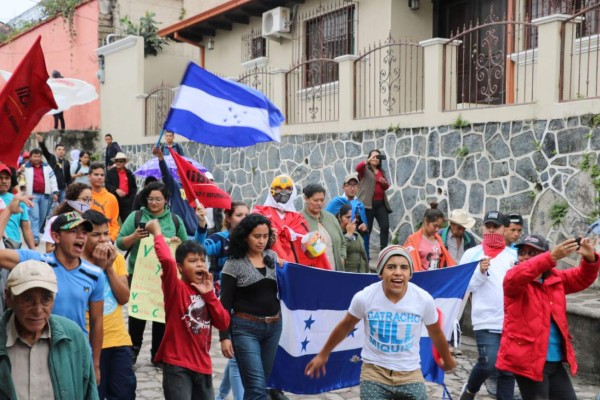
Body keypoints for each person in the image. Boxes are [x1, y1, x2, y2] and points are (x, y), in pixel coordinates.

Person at [305, 245, 457, 400]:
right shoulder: (364, 297)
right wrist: (323, 354)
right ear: (380, 272)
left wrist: (447, 358)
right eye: (391, 267)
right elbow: (345, 326)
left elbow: (436, 332)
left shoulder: (423, 299)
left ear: (410, 274)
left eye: (404, 268)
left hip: (410, 373)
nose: (398, 272)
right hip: (374, 372)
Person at [0, 211, 105, 385]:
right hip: (40, 348)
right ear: (56, 236)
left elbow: (97, 322)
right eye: (73, 231)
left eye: (84, 232)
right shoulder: (38, 262)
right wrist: (9, 211)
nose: (81, 236)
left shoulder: (95, 274)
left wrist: (95, 364)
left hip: (75, 350)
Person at [496, 234, 599, 400]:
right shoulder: (513, 279)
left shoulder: (555, 279)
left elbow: (581, 278)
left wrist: (589, 257)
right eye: (522, 252)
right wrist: (552, 256)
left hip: (553, 359)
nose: (526, 257)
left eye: (532, 253)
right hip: (528, 359)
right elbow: (518, 275)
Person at [145, 218, 230, 399]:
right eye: (193, 261)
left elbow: (223, 323)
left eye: (202, 260)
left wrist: (209, 295)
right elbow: (167, 260)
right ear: (180, 268)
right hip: (177, 365)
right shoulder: (175, 288)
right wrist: (157, 232)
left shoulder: (209, 290)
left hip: (203, 365)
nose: (200, 264)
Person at [0, 260, 98, 399]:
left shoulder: (73, 337)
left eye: (46, 299)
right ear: (9, 297)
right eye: (28, 300)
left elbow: (90, 392)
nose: (38, 310)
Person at [116, 181, 189, 365]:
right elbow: (119, 242)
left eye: (158, 199)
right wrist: (134, 237)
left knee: (162, 316)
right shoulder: (136, 216)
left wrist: (176, 241)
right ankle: (132, 351)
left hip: (165, 277)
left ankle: (158, 353)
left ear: (166, 200)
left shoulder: (174, 220)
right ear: (145, 199)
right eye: (151, 199)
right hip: (139, 274)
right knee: (137, 315)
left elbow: (186, 246)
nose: (154, 203)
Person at [219, 214, 281, 400]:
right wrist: (224, 337)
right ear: (245, 236)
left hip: (274, 327)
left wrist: (283, 268)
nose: (261, 241)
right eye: (256, 236)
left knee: (262, 384)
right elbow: (224, 303)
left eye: (265, 236)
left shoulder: (272, 256)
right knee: (255, 388)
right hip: (245, 330)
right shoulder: (233, 264)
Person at [459, 211, 517, 400]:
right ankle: (470, 389)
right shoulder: (472, 254)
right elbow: (463, 286)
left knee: (507, 369)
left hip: (511, 320)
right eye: (488, 226)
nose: (491, 229)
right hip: (485, 319)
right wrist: (480, 271)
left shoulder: (514, 255)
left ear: (504, 229)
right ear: (482, 228)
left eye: (496, 226)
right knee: (488, 363)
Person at [82, 210, 137, 400]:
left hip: (119, 341)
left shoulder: (117, 259)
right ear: (83, 236)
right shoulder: (77, 263)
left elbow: (124, 297)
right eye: (96, 235)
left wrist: (108, 268)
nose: (103, 239)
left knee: (124, 393)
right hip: (89, 343)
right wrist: (97, 268)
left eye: (106, 233)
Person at [254, 175, 330, 270]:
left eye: (287, 188)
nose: (283, 192)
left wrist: (315, 243)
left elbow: (308, 254)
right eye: (278, 188)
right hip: (268, 271)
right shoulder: (259, 214)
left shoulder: (298, 219)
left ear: (293, 192)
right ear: (272, 190)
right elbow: (250, 244)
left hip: (293, 273)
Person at [153, 146, 200, 236]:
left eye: (189, 171)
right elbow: (166, 174)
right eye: (183, 170)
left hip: (193, 232)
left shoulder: (196, 190)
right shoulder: (174, 186)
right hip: (177, 231)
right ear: (178, 172)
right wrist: (160, 158)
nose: (186, 173)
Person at [301, 183, 347, 271]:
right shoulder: (299, 219)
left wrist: (342, 258)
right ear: (306, 199)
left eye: (322, 200)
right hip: (313, 272)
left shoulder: (331, 218)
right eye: (316, 200)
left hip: (336, 271)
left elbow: (342, 243)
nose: (319, 203)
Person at [325, 172, 370, 258]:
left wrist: (363, 227)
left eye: (355, 185)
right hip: (341, 241)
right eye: (349, 185)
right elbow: (326, 220)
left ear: (358, 187)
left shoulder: (359, 205)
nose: (352, 188)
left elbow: (363, 226)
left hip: (356, 243)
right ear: (344, 187)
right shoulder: (336, 202)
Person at [356, 149, 392, 251]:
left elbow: (386, 186)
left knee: (385, 226)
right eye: (374, 157)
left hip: (380, 204)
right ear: (369, 157)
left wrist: (384, 183)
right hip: (368, 204)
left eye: (378, 157)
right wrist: (368, 160)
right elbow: (358, 167)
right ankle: (363, 251)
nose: (376, 159)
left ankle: (383, 251)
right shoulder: (364, 170)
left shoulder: (381, 171)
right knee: (367, 229)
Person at [404, 202, 456, 271]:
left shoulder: (438, 238)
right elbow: (407, 263)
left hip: (437, 278)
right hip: (421, 279)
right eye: (435, 226)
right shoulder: (412, 240)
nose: (437, 229)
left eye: (439, 226)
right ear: (426, 221)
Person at [42, 182, 92, 252]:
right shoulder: (55, 220)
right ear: (72, 200)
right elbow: (49, 249)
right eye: (84, 199)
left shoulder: (90, 222)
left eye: (90, 199)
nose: (88, 203)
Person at [23, 148, 58, 245]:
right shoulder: (25, 167)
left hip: (45, 195)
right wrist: (19, 172)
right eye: (35, 156)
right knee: (35, 216)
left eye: (38, 156)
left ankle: (33, 233)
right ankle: (35, 238)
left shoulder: (47, 167)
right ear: (30, 157)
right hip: (32, 195)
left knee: (42, 216)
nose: (37, 158)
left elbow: (53, 179)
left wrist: (55, 192)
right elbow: (18, 178)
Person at [0, 164, 35, 250]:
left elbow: (26, 228)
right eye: (0, 178)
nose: (4, 181)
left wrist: (34, 252)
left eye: (7, 178)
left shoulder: (18, 199)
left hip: (14, 247)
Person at [89, 162, 120, 241]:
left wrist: (111, 238)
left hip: (106, 238)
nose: (100, 177)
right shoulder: (84, 196)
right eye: (96, 174)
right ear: (89, 176)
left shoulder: (111, 198)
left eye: (102, 175)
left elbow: (114, 222)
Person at [36, 134, 71, 203]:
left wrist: (69, 187)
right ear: (55, 151)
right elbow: (45, 151)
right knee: (51, 209)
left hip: (63, 189)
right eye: (59, 149)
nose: (61, 151)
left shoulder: (66, 162)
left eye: (63, 150)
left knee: (62, 208)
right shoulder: (52, 158)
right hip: (52, 189)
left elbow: (68, 176)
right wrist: (41, 143)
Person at [105, 152, 137, 223]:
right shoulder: (110, 173)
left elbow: (134, 188)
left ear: (124, 162)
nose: (118, 163)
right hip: (114, 200)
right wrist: (116, 190)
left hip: (126, 202)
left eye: (121, 161)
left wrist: (131, 199)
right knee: (112, 221)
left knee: (127, 222)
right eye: (117, 161)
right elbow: (107, 184)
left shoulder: (129, 173)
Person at [337, 204, 368, 273]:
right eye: (348, 217)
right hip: (347, 276)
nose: (351, 221)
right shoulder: (336, 234)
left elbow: (364, 257)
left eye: (354, 218)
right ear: (340, 217)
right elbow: (340, 253)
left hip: (361, 275)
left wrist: (367, 272)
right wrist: (348, 234)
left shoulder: (357, 234)